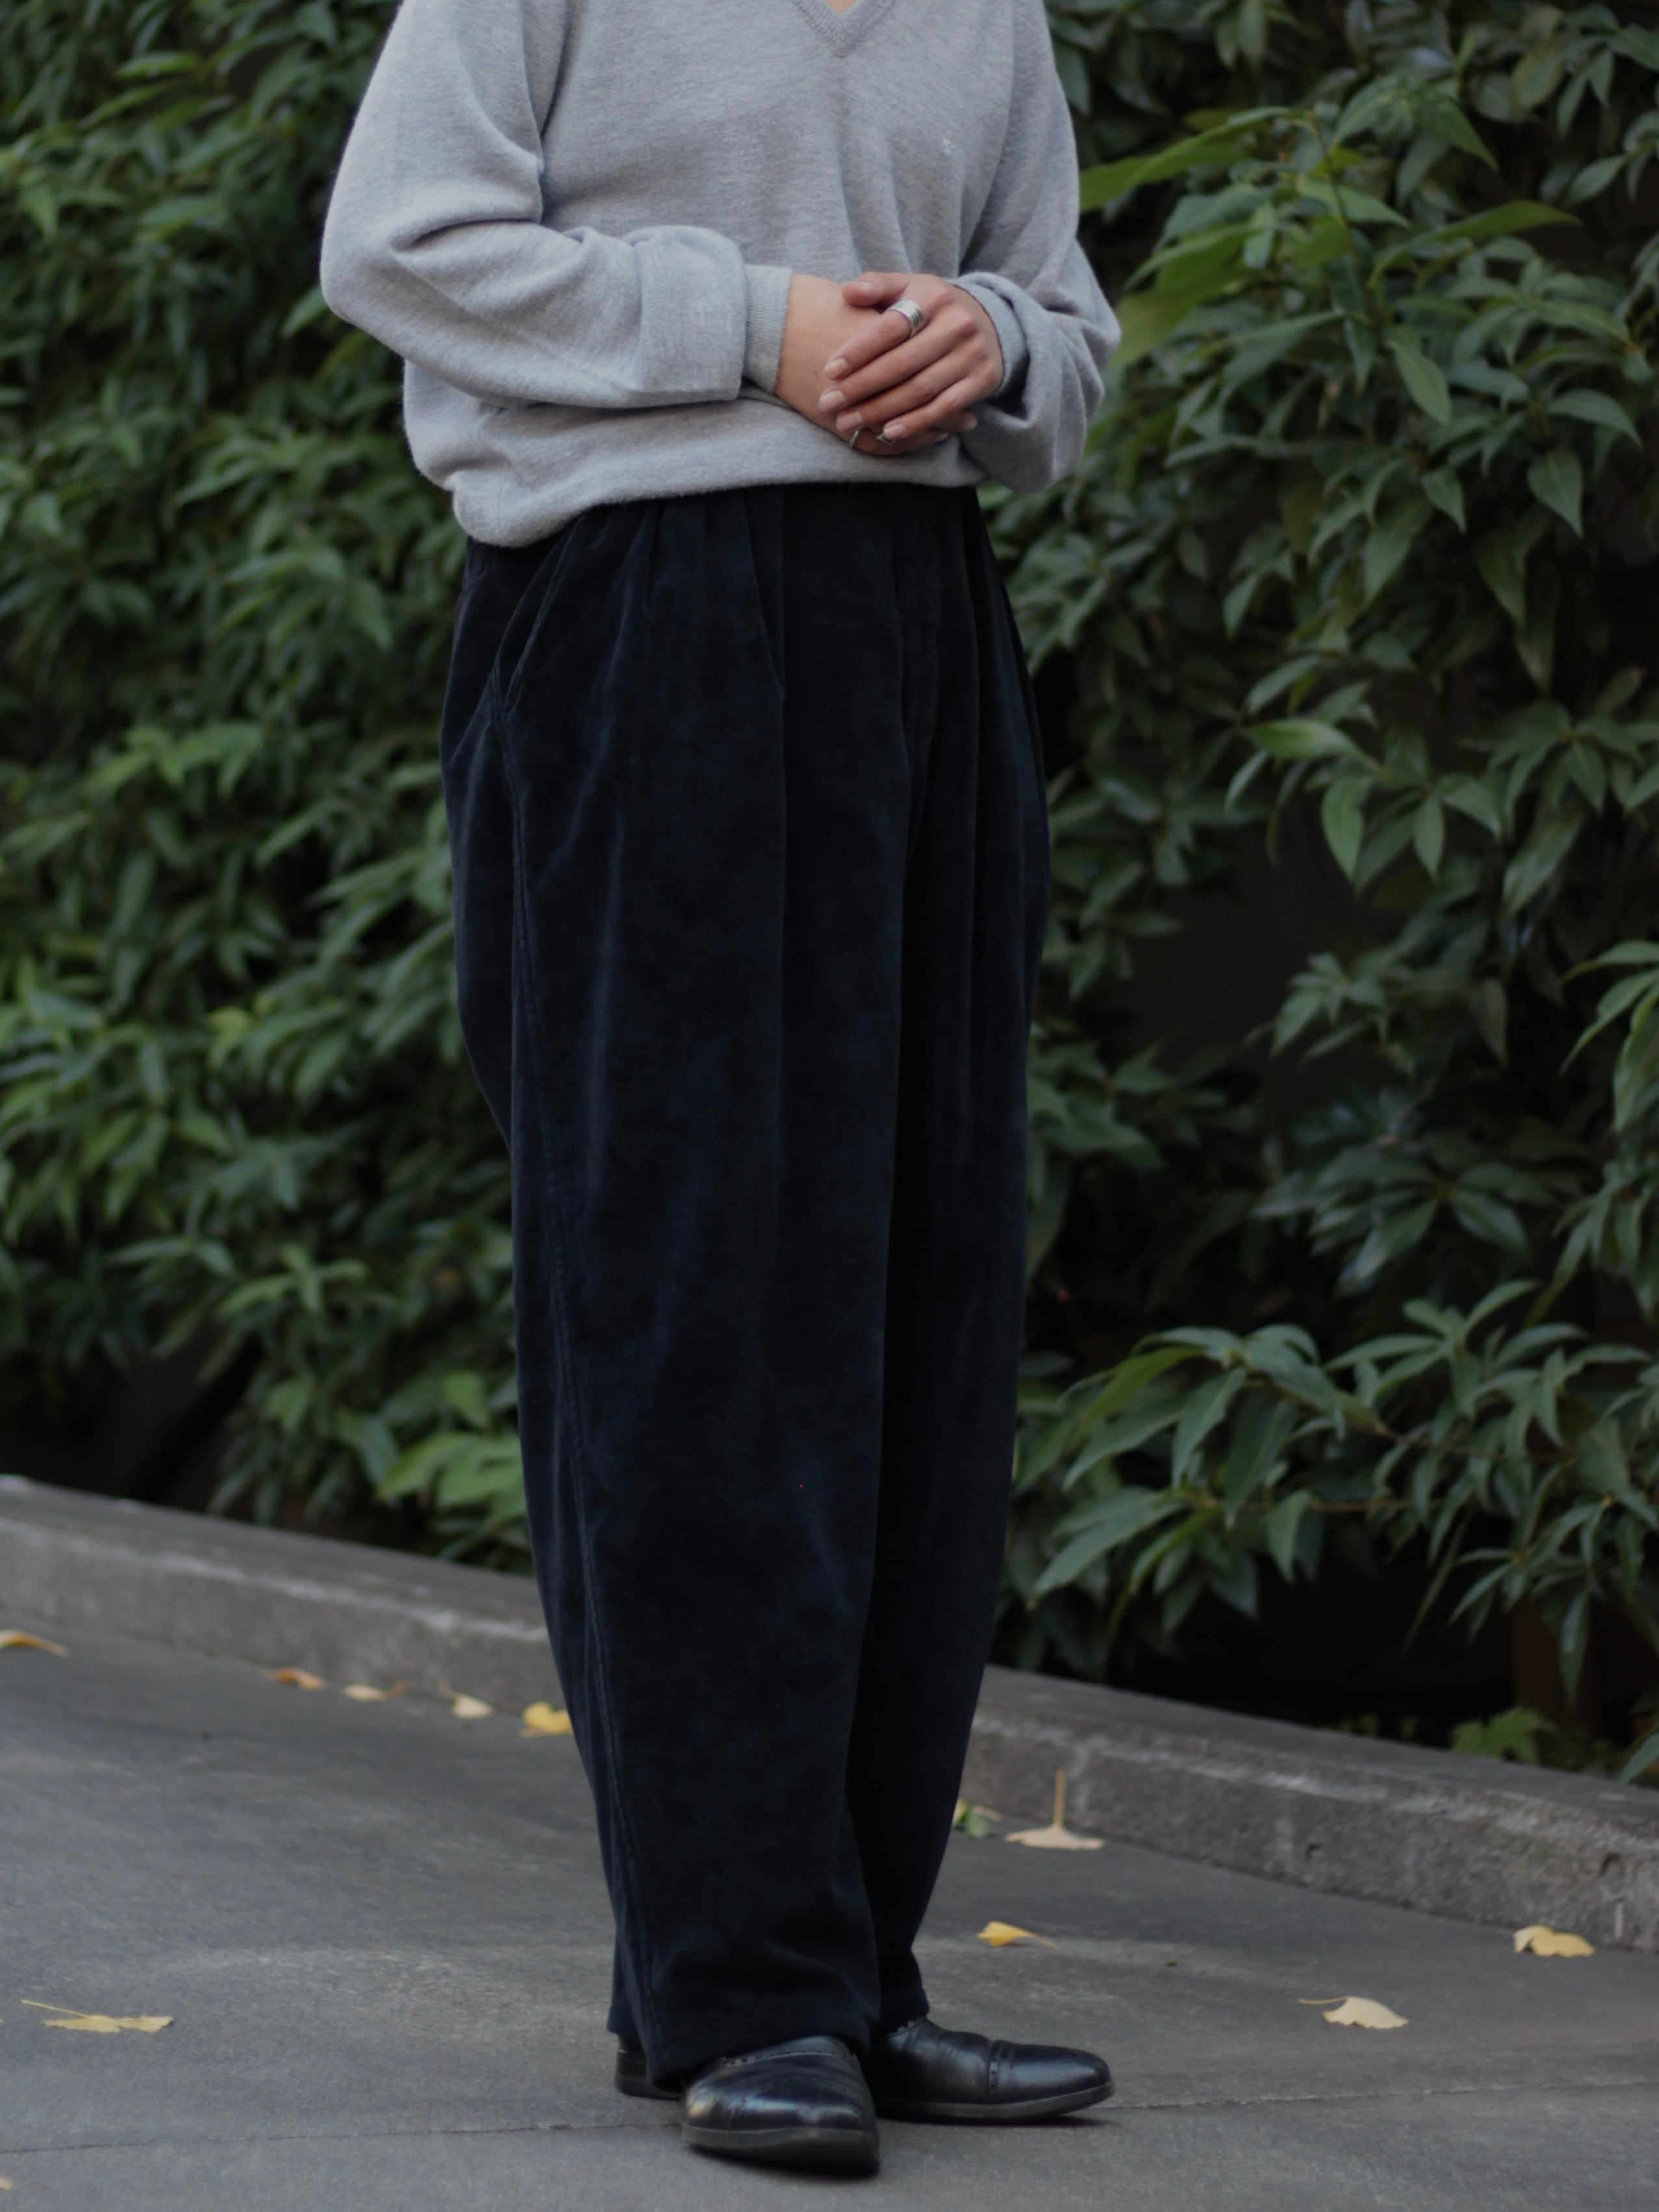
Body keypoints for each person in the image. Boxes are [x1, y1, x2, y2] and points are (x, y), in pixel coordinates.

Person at [320, 0, 1119, 2177]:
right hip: (633, 614)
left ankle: (846, 1971)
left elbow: (1069, 333)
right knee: (687, 1307)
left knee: (920, 1305)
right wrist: (760, 327)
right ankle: (737, 1981)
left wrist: (989, 343)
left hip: (920, 633)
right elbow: (395, 238)